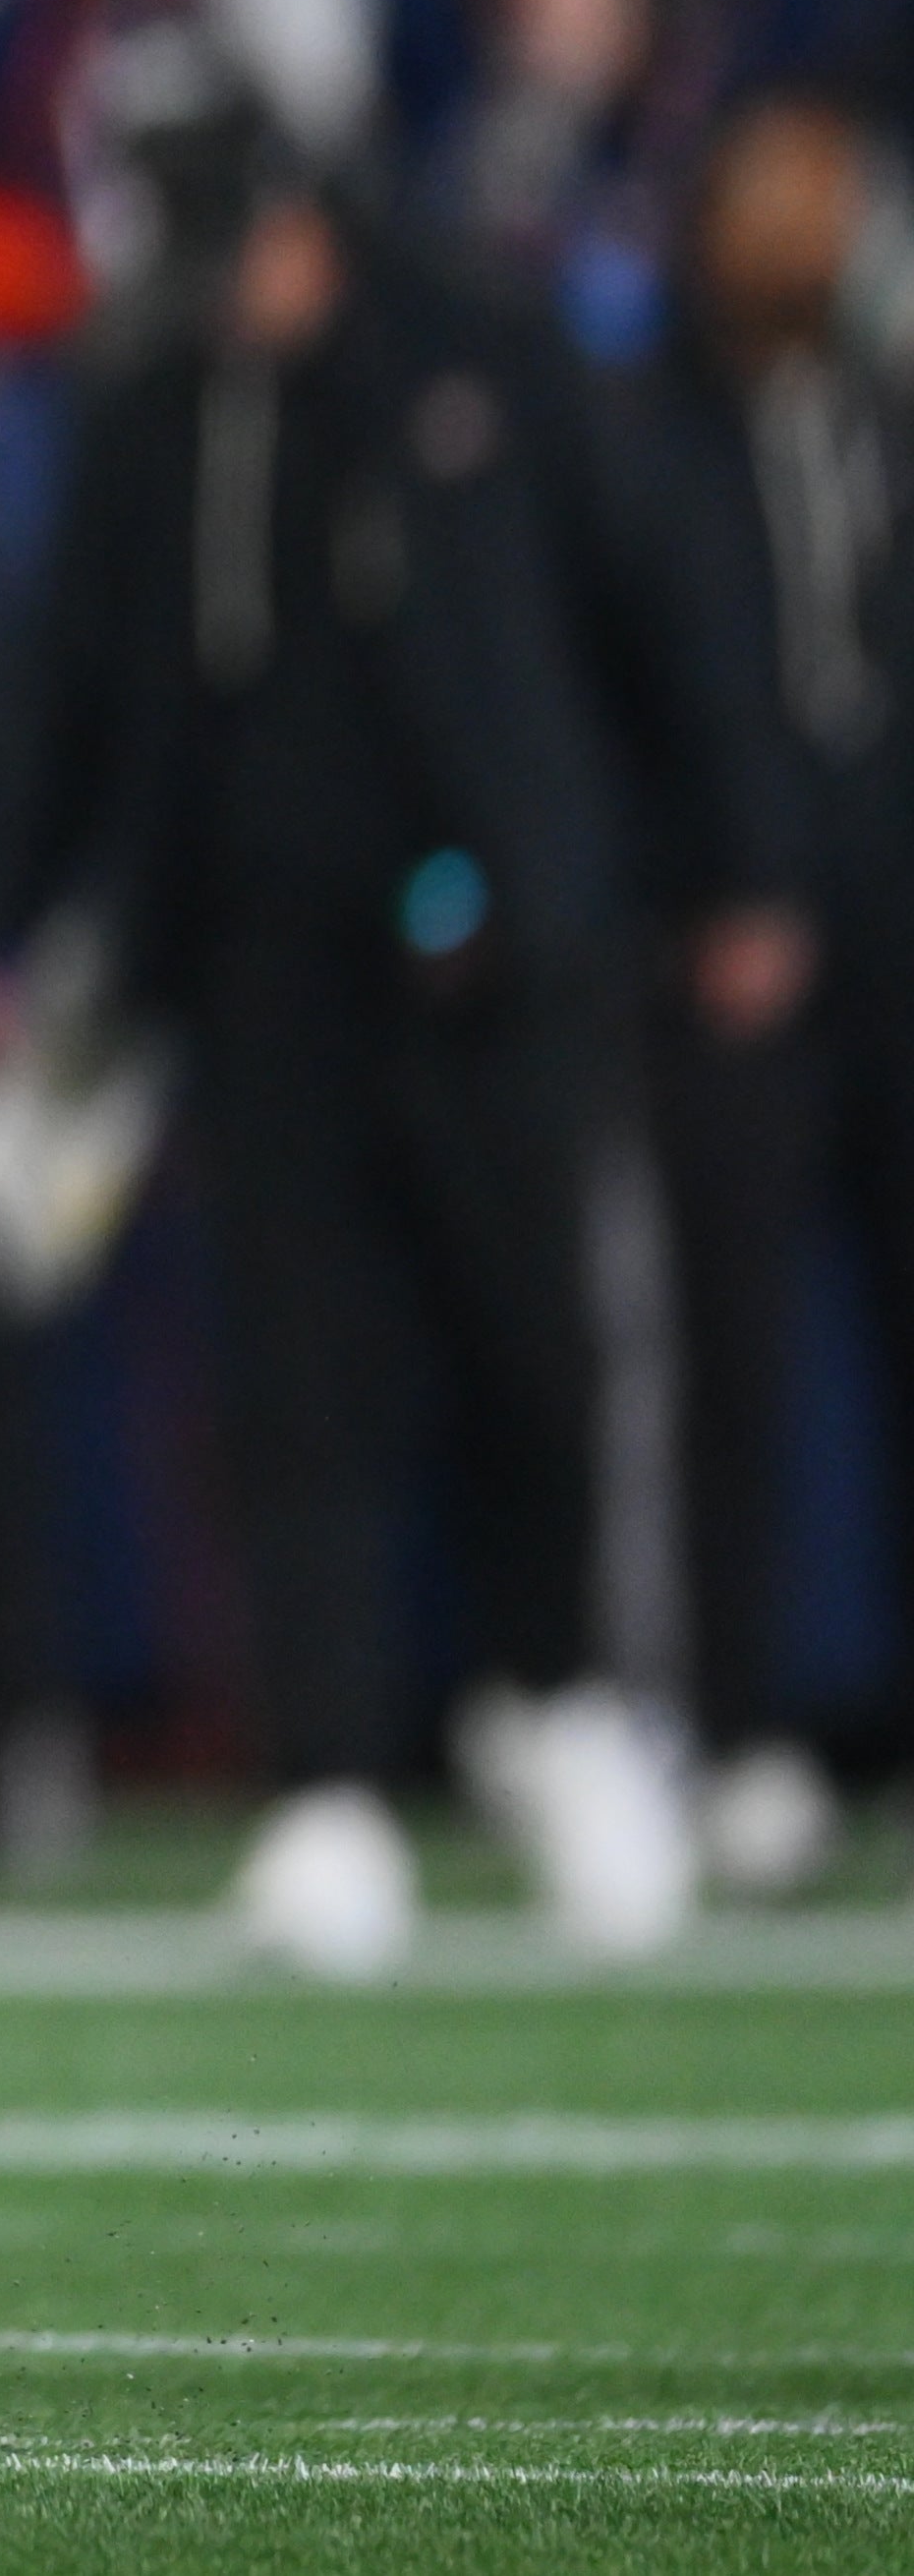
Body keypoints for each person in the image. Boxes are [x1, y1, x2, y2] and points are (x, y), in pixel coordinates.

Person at [0, 61, 770, 1973]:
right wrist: (12, 930)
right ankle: (327, 1783)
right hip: (259, 970)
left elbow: (652, 615)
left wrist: (714, 864)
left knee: (530, 1348)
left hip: (496, 963)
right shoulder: (149, 406)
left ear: (296, 214)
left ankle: (564, 1705)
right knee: (293, 1386)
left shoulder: (485, 360)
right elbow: (72, 686)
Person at [576, 94, 898, 1899]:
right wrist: (715, 889)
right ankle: (749, 1720)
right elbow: (640, 694)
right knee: (737, 1353)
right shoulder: (655, 438)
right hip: (729, 953)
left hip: (891, 927)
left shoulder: (878, 409)